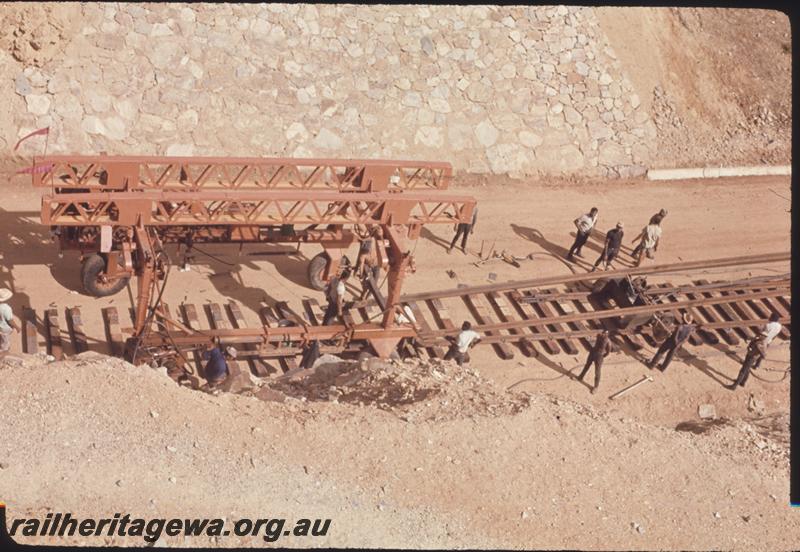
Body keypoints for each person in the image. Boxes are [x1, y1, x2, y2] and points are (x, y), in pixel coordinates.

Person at [577, 330, 614, 394]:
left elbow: (608, 351)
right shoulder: (599, 336)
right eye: (603, 333)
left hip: (599, 356)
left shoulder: (608, 342)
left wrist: (602, 356)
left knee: (597, 371)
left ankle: (596, 387)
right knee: (587, 365)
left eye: (605, 334)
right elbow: (594, 340)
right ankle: (580, 377)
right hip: (593, 352)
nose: (603, 334)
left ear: (607, 335)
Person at [0, 288, 20, 354]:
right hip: (5, 328)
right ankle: (4, 351)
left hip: (0, 326)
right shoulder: (6, 308)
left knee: (2, 337)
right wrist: (17, 327)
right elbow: (10, 320)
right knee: (6, 341)